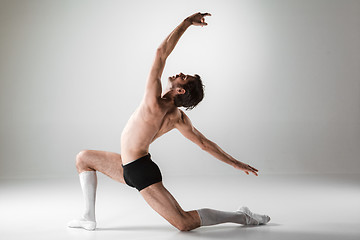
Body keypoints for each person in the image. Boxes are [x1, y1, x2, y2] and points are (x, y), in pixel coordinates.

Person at [68, 12, 270, 231]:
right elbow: (204, 143)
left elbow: (160, 54)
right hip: (128, 166)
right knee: (84, 158)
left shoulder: (154, 103)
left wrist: (185, 24)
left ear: (180, 90)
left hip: (139, 170)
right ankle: (88, 217)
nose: (180, 73)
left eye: (184, 77)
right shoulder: (178, 117)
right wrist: (234, 162)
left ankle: (243, 216)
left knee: (184, 222)